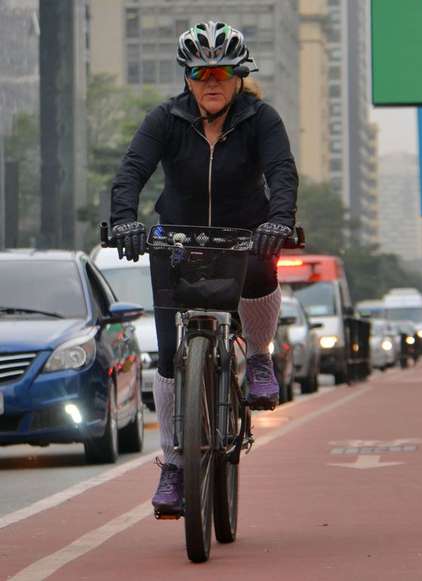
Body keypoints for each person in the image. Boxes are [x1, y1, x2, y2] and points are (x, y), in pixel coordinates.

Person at [109, 21, 298, 515]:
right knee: (170, 357)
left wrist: (279, 221)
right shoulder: (165, 120)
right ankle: (174, 464)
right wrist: (124, 221)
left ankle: (257, 357)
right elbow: (132, 171)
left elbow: (281, 172)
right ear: (187, 77)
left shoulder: (261, 120)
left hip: (244, 237)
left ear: (239, 76)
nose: (211, 81)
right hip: (176, 240)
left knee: (265, 264)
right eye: (200, 72)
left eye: (221, 72)